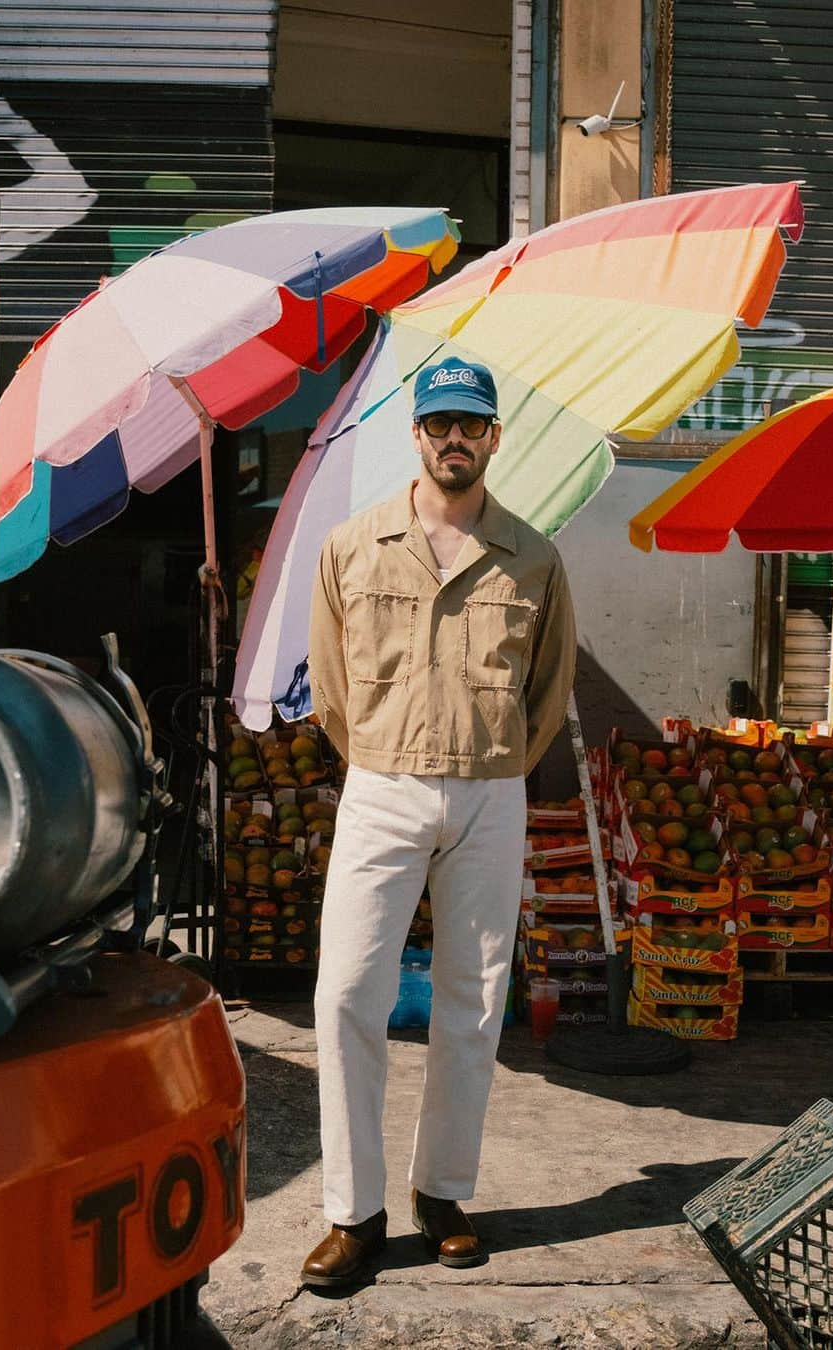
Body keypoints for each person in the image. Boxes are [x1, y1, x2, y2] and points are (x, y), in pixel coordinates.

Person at [300, 356, 577, 1288]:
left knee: (474, 1000)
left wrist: (499, 767)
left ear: (494, 437)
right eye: (437, 423)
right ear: (413, 435)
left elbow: (549, 690)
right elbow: (332, 685)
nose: (453, 438)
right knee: (346, 995)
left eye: (471, 423)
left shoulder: (533, 557)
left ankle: (443, 1193)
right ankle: (355, 1213)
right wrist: (379, 757)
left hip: (491, 791)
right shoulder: (352, 547)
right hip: (382, 786)